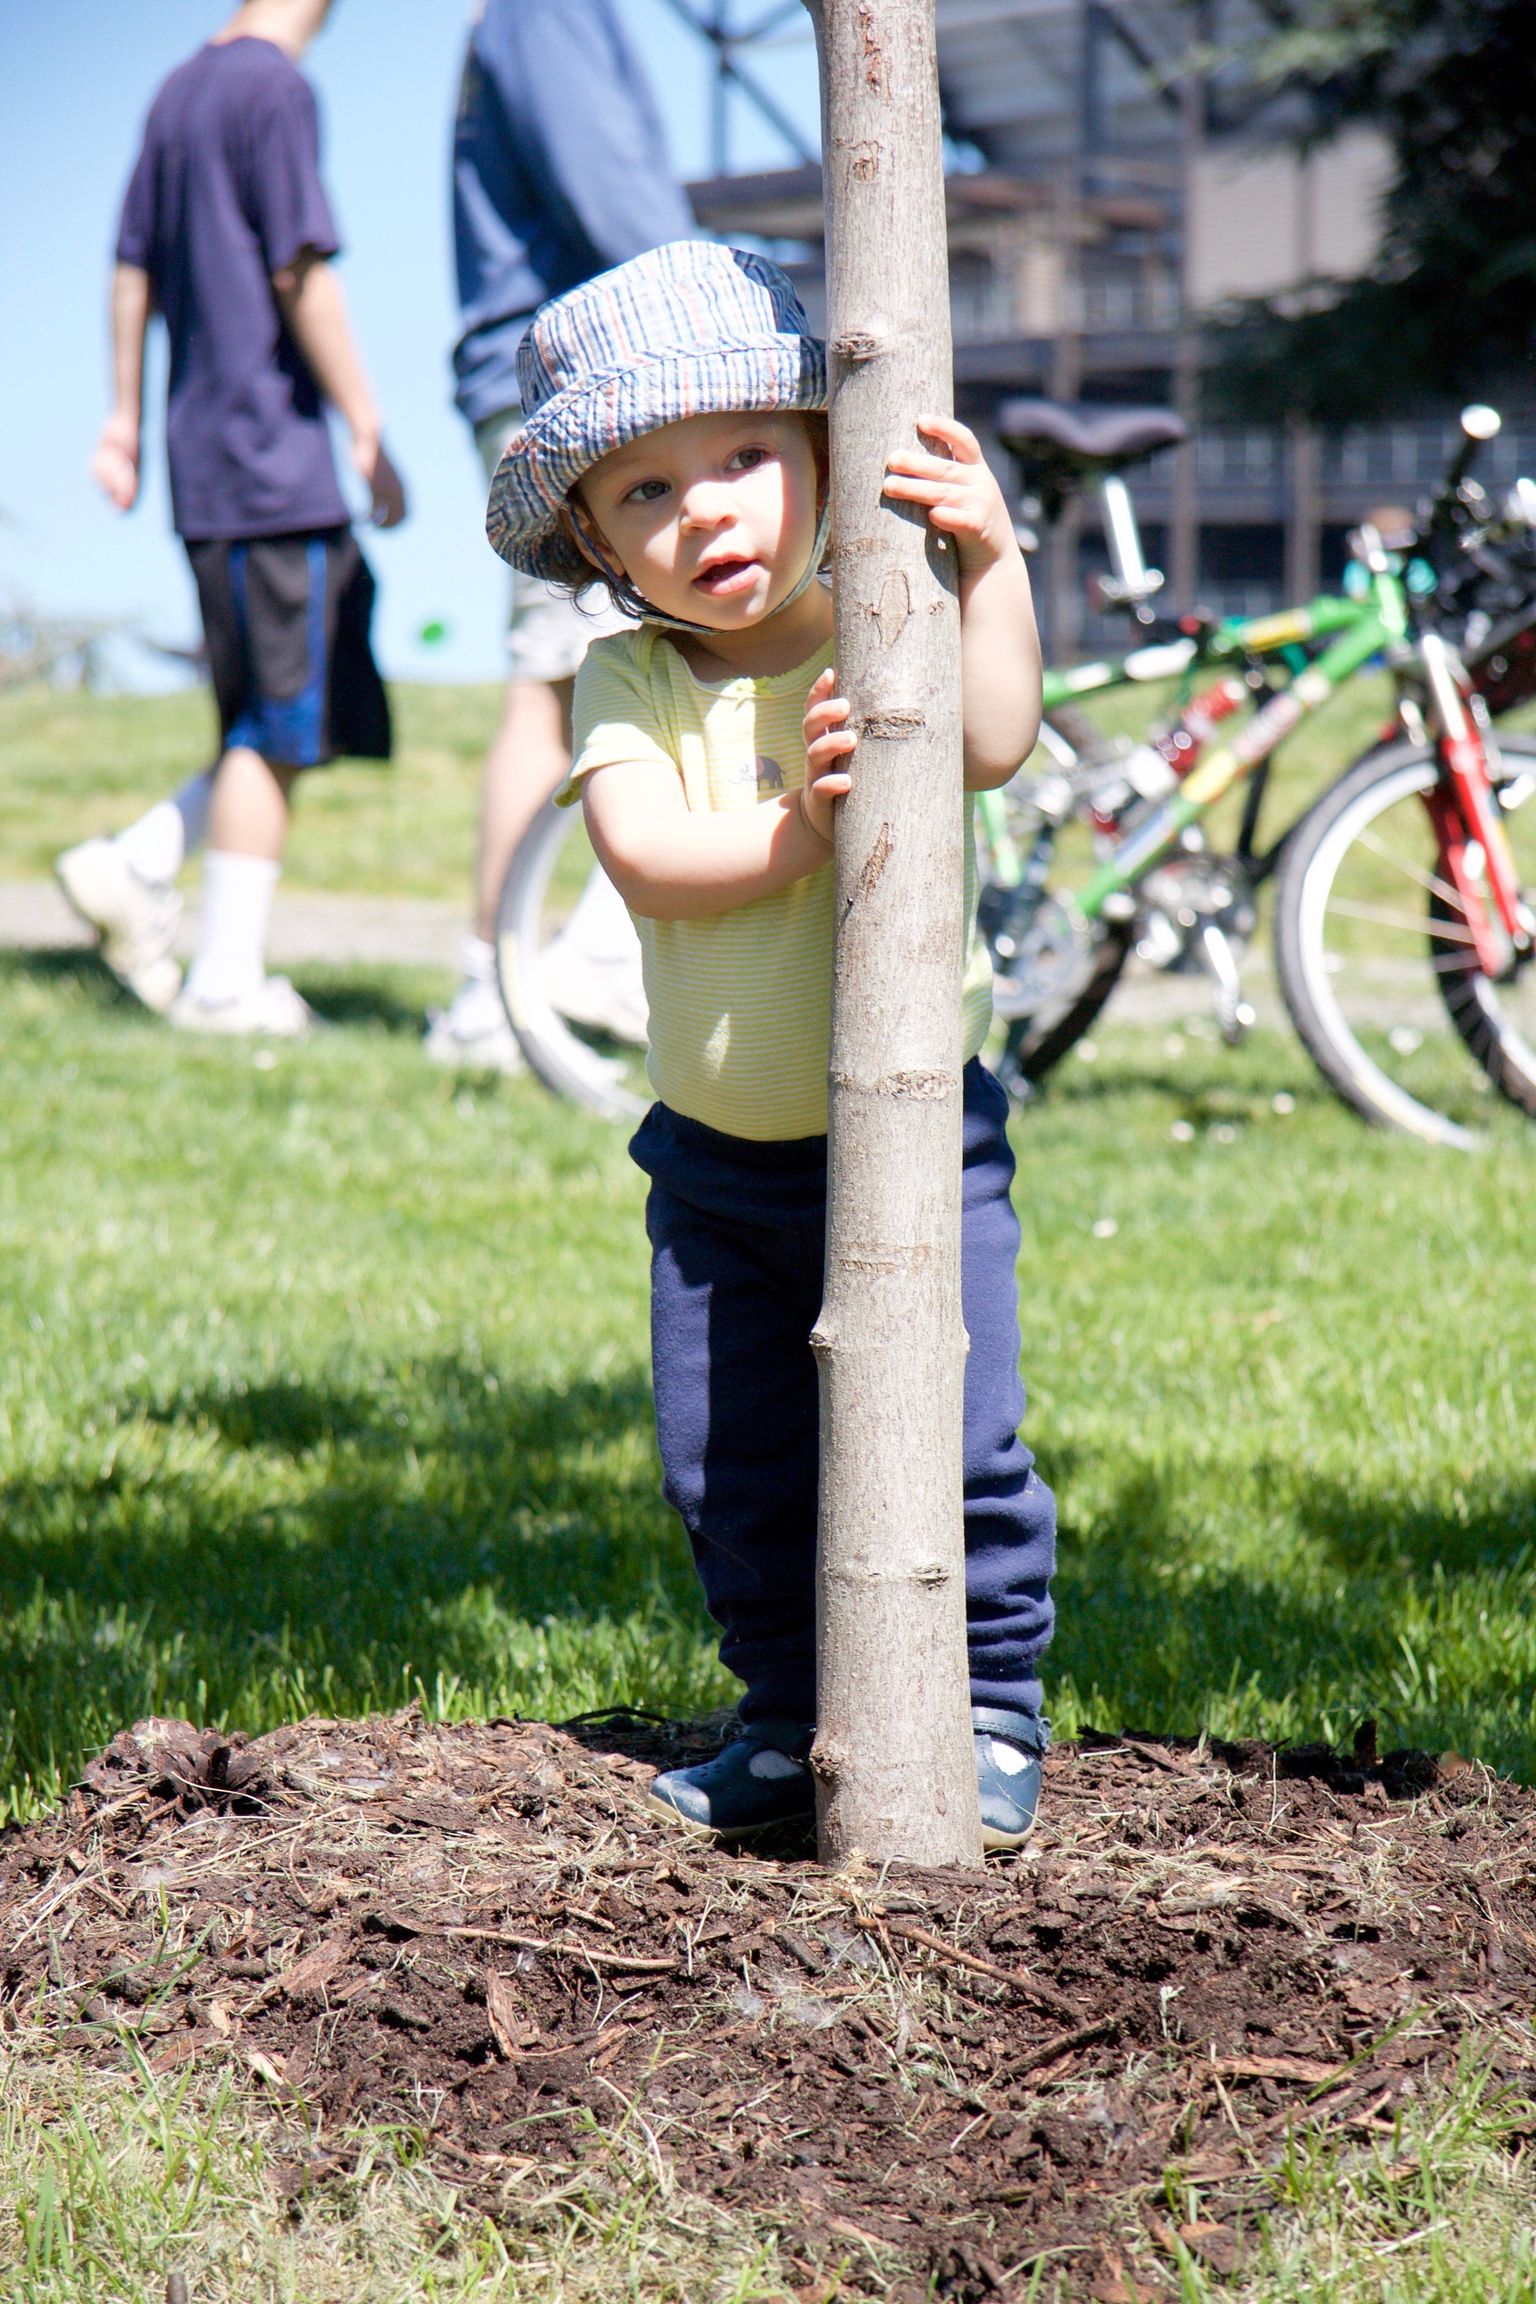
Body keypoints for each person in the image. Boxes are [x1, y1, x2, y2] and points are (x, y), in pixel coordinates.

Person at [485, 241, 1058, 1846]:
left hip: (917, 1141)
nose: (708, 512)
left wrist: (993, 564)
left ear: (821, 457)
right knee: (728, 1470)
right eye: (647, 492)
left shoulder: (877, 621)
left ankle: (993, 1709)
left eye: (743, 458)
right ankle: (790, 1721)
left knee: (959, 1439)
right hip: (717, 1168)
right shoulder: (631, 676)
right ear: (595, 539)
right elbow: (649, 864)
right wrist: (803, 833)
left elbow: (997, 743)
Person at [58, 0, 404, 1036]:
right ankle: (223, 982)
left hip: (202, 458)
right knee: (277, 728)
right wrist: (365, 421)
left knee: (282, 706)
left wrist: (124, 415)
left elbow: (132, 269)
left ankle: (145, 859)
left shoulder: (178, 90)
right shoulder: (272, 87)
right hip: (270, 460)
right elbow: (299, 265)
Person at [425, 0, 696, 1073]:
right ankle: (503, 985)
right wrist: (721, 319)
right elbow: (615, 195)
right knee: (560, 678)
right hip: (576, 391)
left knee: (574, 673)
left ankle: (546, 964)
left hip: (554, 381)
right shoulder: (548, 12)